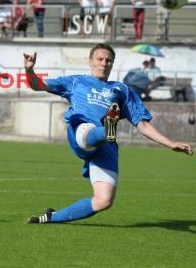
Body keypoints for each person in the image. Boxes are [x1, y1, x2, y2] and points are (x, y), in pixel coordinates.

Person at [23, 43, 193, 224]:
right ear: (90, 62)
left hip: (106, 145)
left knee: (103, 201)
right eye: (100, 59)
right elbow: (37, 85)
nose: (104, 63)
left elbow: (142, 124)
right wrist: (29, 71)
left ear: (112, 64)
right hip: (81, 130)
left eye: (109, 60)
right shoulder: (76, 81)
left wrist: (171, 143)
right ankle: (106, 129)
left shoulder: (122, 90)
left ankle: (51, 217)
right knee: (86, 131)